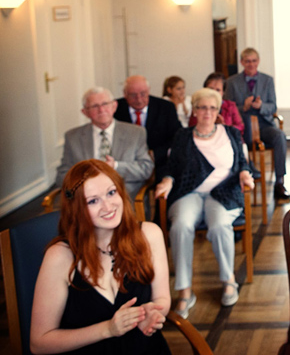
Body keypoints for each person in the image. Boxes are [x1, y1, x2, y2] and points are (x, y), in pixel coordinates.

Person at [30, 159, 170, 354]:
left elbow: (162, 298)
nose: (108, 206)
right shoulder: (60, 256)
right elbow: (39, 343)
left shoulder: (149, 234)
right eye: (93, 201)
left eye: (111, 193)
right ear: (77, 209)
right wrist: (108, 329)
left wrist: (152, 312)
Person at [155, 88, 254, 318]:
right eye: (202, 107)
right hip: (189, 192)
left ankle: (228, 280)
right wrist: (168, 180)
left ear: (218, 111)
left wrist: (245, 174)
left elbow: (242, 162)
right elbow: (171, 167)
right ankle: (184, 291)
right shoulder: (182, 136)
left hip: (224, 192)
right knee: (180, 226)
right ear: (194, 110)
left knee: (220, 225)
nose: (207, 112)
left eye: (212, 108)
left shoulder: (230, 133)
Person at [57, 88, 154, 199]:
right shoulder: (73, 137)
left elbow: (146, 169)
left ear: (114, 106)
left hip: (125, 198)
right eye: (95, 106)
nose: (101, 110)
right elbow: (62, 175)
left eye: (105, 104)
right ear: (85, 112)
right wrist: (85, 182)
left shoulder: (135, 133)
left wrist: (116, 166)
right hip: (87, 199)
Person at [224, 48, 290, 202]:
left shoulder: (268, 80)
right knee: (234, 138)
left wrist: (261, 106)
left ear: (258, 61)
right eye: (247, 61)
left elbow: (273, 107)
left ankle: (280, 181)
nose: (251, 64)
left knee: (280, 136)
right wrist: (244, 107)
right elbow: (227, 108)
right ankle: (246, 171)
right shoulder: (232, 82)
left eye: (254, 61)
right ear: (242, 62)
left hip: (264, 124)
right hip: (242, 126)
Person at [114, 75, 182, 182]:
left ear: (149, 91)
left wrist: (155, 154)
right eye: (133, 95)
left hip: (159, 164)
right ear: (125, 94)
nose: (139, 99)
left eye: (143, 94)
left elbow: (177, 137)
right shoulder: (114, 108)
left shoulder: (166, 107)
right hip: (126, 165)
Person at [188, 72, 245, 138]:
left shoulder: (230, 105)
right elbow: (192, 127)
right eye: (210, 89)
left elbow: (240, 127)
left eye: (218, 90)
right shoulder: (198, 106)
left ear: (223, 92)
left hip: (227, 139)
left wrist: (223, 126)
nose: (214, 93)